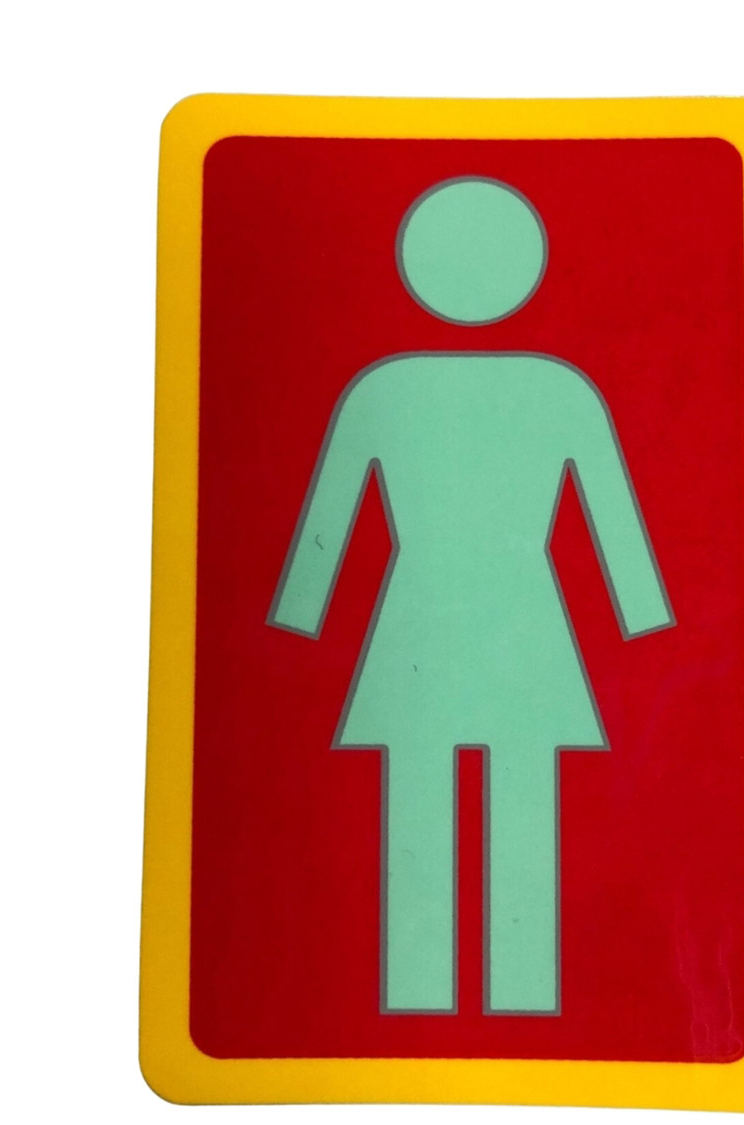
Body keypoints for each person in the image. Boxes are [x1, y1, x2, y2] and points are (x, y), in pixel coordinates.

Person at [269, 176, 674, 1015]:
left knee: (425, 799)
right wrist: (641, 617)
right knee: (514, 800)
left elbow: (323, 534)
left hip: (424, 622)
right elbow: (617, 532)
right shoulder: (559, 390)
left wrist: (299, 618)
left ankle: (421, 992)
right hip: (519, 625)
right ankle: (516, 991)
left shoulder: (385, 389)